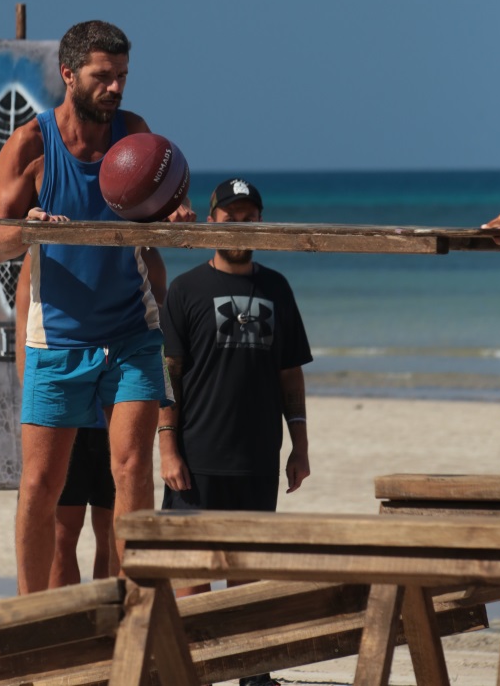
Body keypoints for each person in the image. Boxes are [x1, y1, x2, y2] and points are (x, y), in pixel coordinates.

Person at [0, 19, 192, 594]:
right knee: (40, 486)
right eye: (103, 76)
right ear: (69, 74)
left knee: (133, 469)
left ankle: (135, 608)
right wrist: (28, 228)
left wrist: (174, 216)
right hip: (58, 339)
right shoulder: (31, 144)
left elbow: (160, 214)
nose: (116, 87)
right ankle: (31, 615)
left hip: (131, 332)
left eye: (122, 75)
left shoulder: (135, 136)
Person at [159, 175, 312, 670]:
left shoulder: (277, 288)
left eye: (249, 218)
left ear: (261, 222)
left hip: (257, 459)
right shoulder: (185, 290)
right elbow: (169, 375)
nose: (240, 226)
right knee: (192, 577)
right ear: (212, 222)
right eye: (231, 218)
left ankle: (252, 674)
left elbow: (290, 374)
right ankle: (193, 673)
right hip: (195, 461)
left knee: (248, 577)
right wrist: (167, 448)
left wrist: (300, 446)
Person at [13, 245, 169, 588]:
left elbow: (157, 330)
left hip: (116, 412)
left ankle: (117, 611)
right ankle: (59, 616)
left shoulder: (146, 254)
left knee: (110, 528)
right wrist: (39, 399)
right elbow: (24, 330)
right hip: (69, 411)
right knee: (63, 532)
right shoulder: (42, 255)